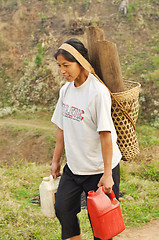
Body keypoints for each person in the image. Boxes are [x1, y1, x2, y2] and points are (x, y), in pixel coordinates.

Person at [50, 38, 122, 240]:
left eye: (66, 65)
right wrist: (56, 161)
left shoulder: (97, 92)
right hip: (74, 169)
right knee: (63, 210)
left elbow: (106, 135)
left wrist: (107, 174)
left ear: (80, 62)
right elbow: (61, 129)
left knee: (101, 223)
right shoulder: (65, 90)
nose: (62, 71)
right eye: (59, 66)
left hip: (99, 170)